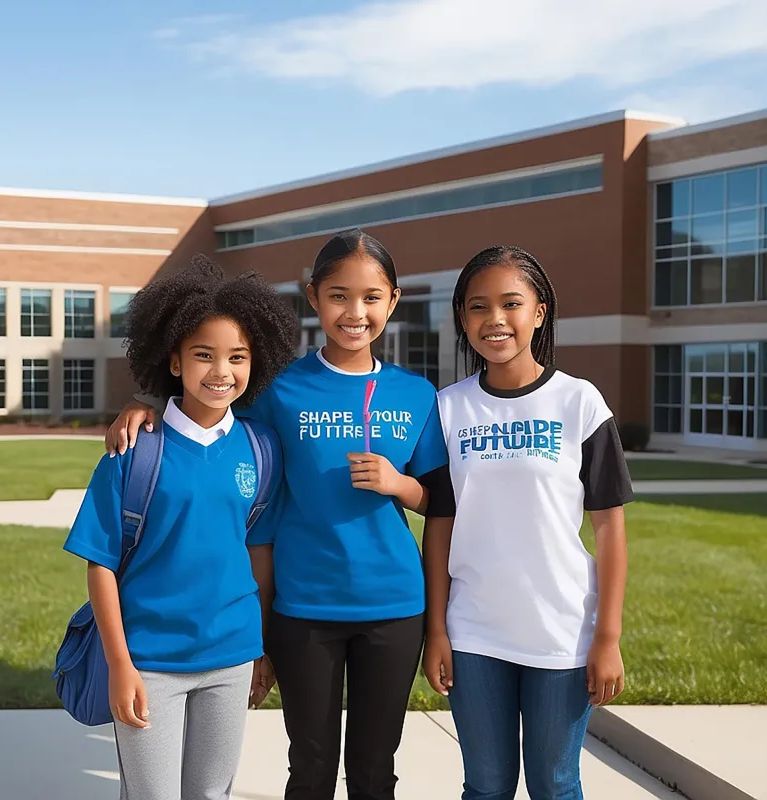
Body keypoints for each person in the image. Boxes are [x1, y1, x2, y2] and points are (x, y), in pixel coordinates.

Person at [105, 229, 449, 800]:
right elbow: (208, 396)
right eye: (339, 295)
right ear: (311, 297)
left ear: (393, 300)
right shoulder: (278, 387)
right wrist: (143, 404)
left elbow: (442, 503)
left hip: (393, 604)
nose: (354, 312)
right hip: (303, 605)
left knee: (374, 769)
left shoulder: (416, 395)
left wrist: (402, 485)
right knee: (310, 766)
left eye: (370, 297)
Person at [62, 254, 299, 800]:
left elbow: (258, 553)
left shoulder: (261, 448)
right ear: (174, 361)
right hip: (150, 661)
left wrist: (261, 648)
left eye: (237, 357)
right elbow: (101, 565)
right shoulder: (133, 450)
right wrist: (120, 665)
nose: (222, 372)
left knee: (211, 795)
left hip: (231, 656)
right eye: (204, 355)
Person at [420, 245, 633, 800]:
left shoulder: (580, 403)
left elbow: (610, 530)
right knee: (486, 787)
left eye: (511, 304)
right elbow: (439, 525)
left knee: (555, 785)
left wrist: (606, 637)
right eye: (477, 307)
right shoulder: (448, 409)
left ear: (539, 312)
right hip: (474, 633)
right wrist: (437, 630)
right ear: (463, 320)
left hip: (561, 632)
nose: (495, 320)